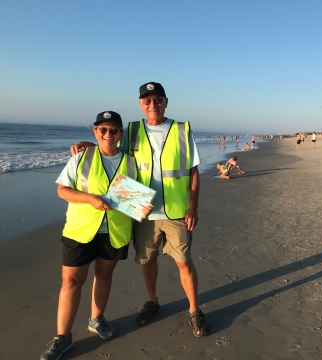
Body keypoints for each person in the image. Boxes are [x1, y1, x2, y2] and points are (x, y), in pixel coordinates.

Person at [70, 82, 209, 337]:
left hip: (176, 211)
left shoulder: (181, 129)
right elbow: (110, 150)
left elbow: (193, 171)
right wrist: (90, 145)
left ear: (166, 102)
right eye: (147, 100)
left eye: (157, 100)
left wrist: (193, 207)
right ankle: (152, 301)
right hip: (142, 211)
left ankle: (194, 311)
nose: (152, 105)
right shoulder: (131, 130)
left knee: (184, 262)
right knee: (147, 261)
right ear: (140, 104)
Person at [41, 111, 153, 360]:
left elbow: (134, 197)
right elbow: (62, 190)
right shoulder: (82, 157)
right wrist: (90, 199)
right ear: (95, 132)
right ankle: (62, 337)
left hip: (115, 230)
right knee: (71, 282)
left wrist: (142, 205)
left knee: (104, 274)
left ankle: (96, 319)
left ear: (121, 134)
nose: (107, 134)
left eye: (113, 130)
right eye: (102, 129)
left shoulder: (132, 162)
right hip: (80, 229)